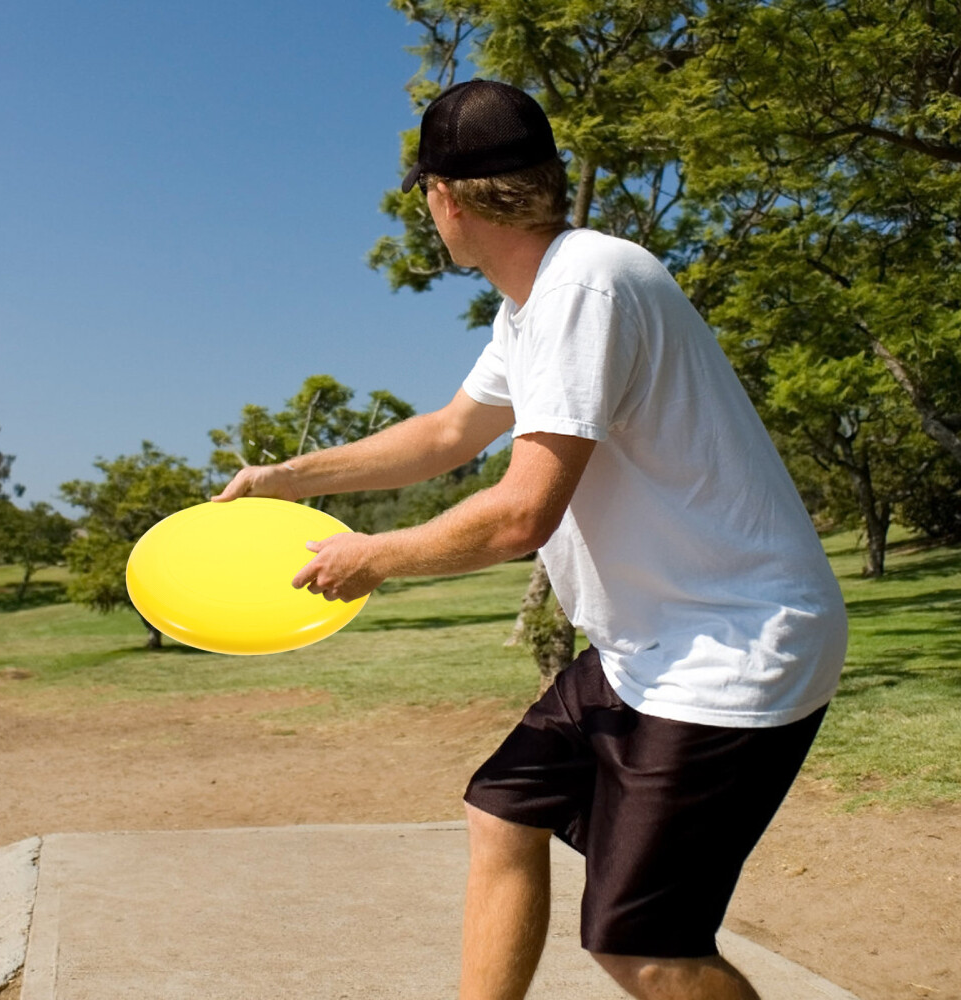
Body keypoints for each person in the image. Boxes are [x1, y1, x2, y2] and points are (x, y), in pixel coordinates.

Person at [213, 80, 848, 1000]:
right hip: (647, 646)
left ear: (443, 198)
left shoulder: (584, 288)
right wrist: (285, 480)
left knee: (645, 944)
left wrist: (373, 557)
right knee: (501, 811)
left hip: (730, 649)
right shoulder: (538, 301)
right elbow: (446, 434)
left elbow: (522, 514)